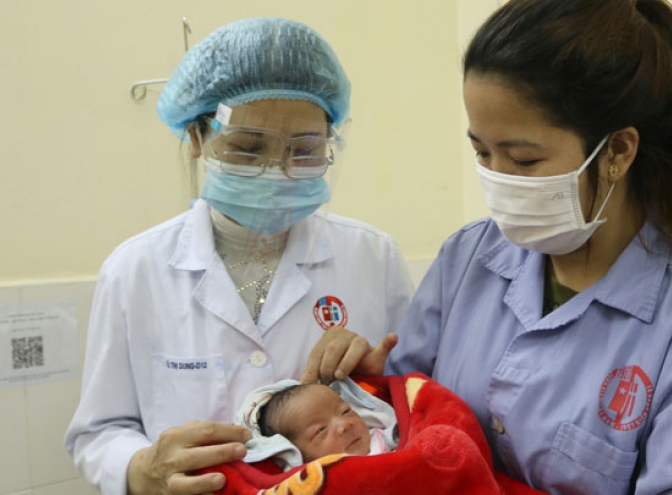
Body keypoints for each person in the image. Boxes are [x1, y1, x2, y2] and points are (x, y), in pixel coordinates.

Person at [380, 0, 672, 494]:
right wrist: (347, 394)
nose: (498, 181)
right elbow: (394, 424)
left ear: (617, 151)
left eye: (523, 160)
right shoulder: (467, 260)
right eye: (482, 153)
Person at [64, 17, 414, 495]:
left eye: (304, 150)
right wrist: (141, 468)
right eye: (248, 148)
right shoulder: (135, 269)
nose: (277, 170)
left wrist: (375, 386)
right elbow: (98, 431)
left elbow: (417, 407)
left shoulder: (373, 256)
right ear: (196, 137)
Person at [252, 381, 394, 464]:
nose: (344, 425)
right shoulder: (314, 481)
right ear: (296, 453)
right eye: (321, 430)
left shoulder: (385, 438)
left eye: (345, 411)